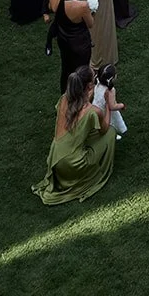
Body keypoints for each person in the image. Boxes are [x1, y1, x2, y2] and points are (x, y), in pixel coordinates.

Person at [33, 65, 115, 206]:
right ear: (90, 86)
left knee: (88, 133)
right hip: (73, 164)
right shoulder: (93, 112)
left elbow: (77, 112)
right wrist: (108, 104)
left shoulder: (64, 99)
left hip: (55, 157)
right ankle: (91, 174)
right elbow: (104, 129)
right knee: (111, 132)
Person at [45, 0, 94, 94]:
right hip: (79, 44)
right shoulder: (82, 6)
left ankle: (65, 96)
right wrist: (92, 9)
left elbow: (51, 8)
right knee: (81, 73)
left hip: (63, 40)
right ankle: (80, 98)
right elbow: (90, 24)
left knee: (66, 69)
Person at [93, 62, 128, 137]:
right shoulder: (110, 91)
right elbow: (112, 106)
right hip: (105, 111)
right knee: (110, 122)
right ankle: (112, 134)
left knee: (100, 123)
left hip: (96, 106)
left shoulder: (97, 83)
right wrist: (122, 105)